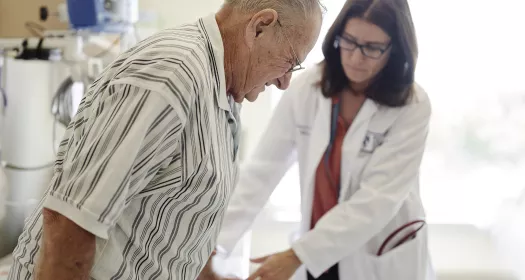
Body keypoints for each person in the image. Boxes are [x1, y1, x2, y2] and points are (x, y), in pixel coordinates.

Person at [7, 1, 323, 279]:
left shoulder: (223, 88)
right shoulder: (170, 75)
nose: (285, 82)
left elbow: (181, 213)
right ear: (260, 27)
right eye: (290, 61)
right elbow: (70, 222)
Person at [201, 0, 435, 280]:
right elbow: (262, 170)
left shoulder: (412, 105)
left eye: (372, 48)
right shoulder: (307, 87)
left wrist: (296, 255)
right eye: (349, 41)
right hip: (318, 250)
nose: (356, 57)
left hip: (379, 253)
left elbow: (378, 199)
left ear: (394, 49)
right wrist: (215, 244)